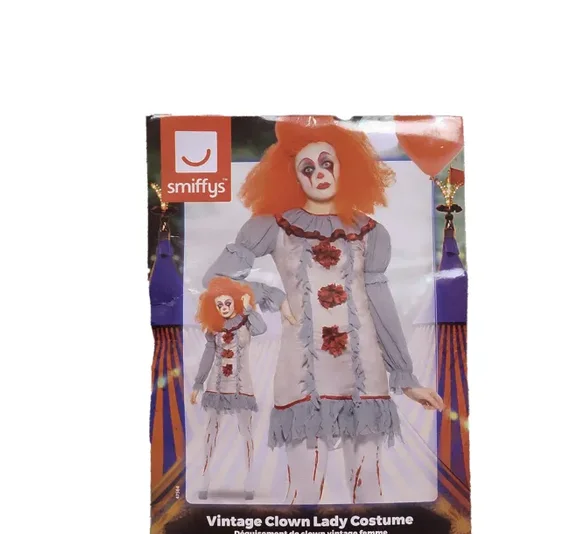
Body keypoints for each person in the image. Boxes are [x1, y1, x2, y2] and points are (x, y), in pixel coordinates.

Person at [203, 116, 443, 504]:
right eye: (307, 168)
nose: (319, 174)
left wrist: (406, 376)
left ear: (344, 167)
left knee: (368, 490)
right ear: (292, 177)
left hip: (365, 373)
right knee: (304, 491)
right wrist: (271, 294)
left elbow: (381, 306)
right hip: (302, 374)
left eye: (327, 163)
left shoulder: (371, 233)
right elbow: (217, 279)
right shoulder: (273, 226)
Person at [190, 276, 267, 499]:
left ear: (235, 300)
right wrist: (198, 383)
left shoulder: (247, 321)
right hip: (216, 385)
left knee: (246, 431)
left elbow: (261, 328)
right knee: (210, 430)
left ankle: (249, 480)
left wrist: (248, 308)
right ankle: (204, 479)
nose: (224, 307)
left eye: (227, 303)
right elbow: (208, 355)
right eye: (219, 305)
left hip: (241, 386)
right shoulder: (214, 328)